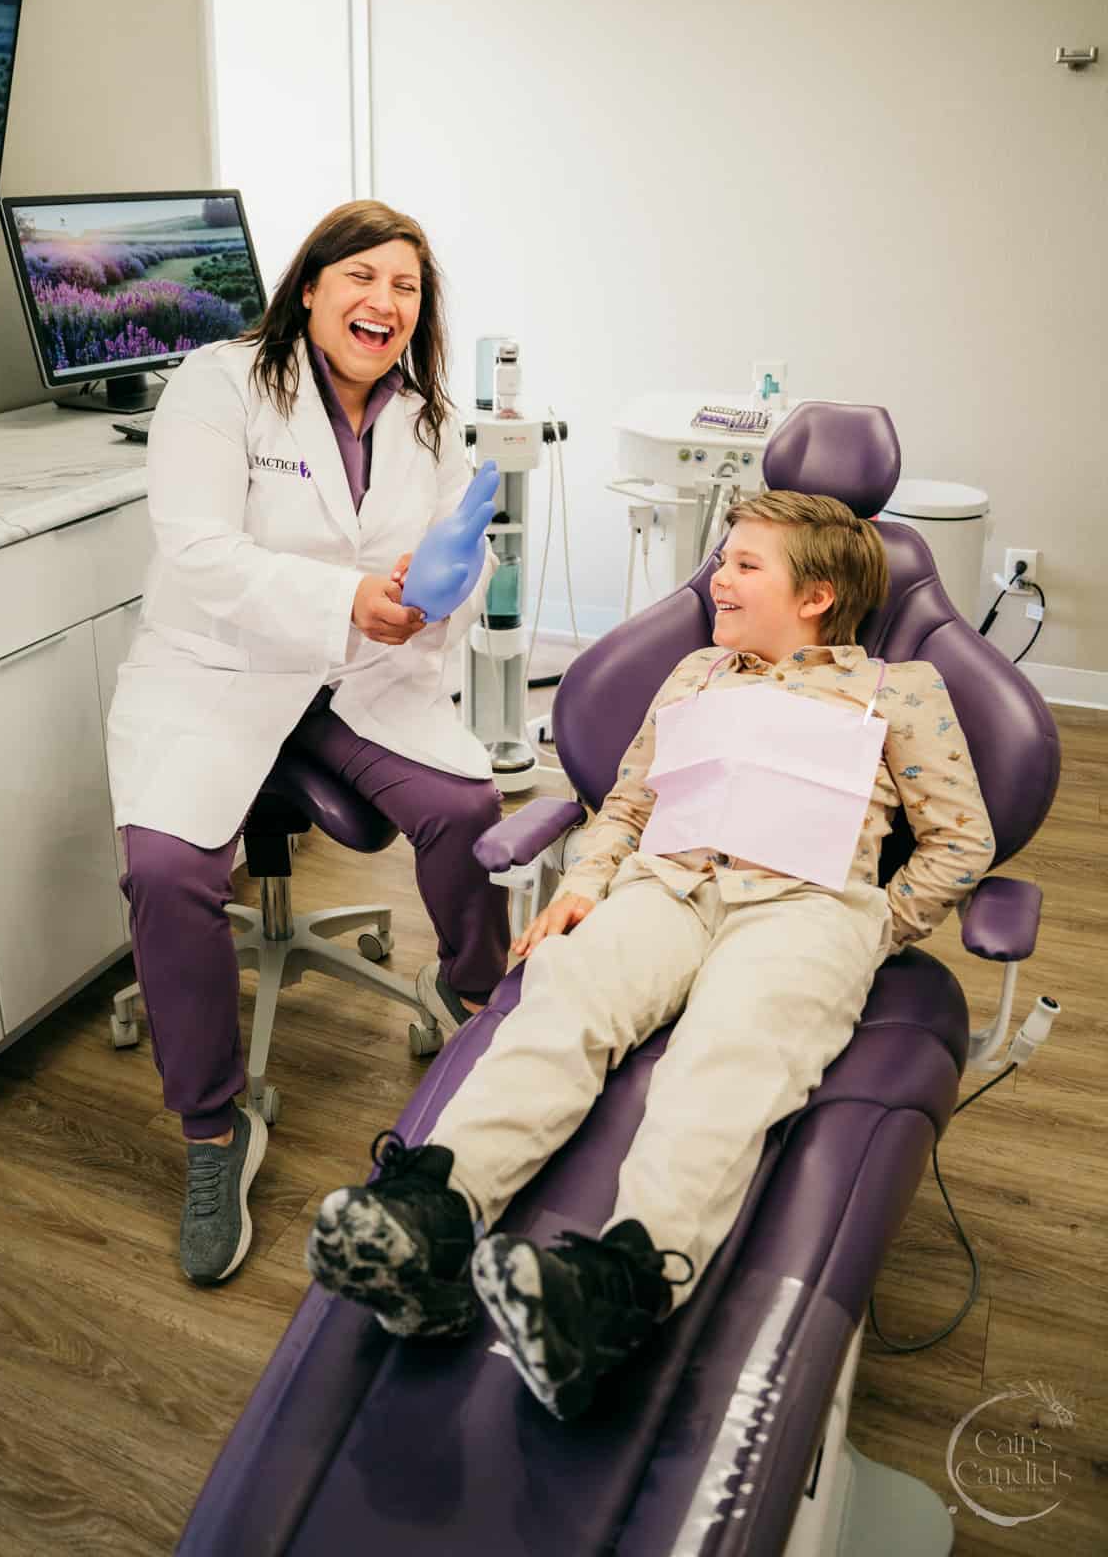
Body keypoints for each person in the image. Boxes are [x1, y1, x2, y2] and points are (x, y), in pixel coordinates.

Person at [305, 490, 995, 1420]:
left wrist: (874, 927)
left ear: (819, 596)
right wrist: (586, 886)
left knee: (727, 1060)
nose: (718, 576)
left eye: (746, 564)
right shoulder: (698, 674)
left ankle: (618, 1290)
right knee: (563, 998)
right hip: (664, 886)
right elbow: (628, 805)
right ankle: (434, 1220)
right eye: (725, 557)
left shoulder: (899, 689)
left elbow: (960, 841)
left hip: (804, 907)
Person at [106, 200, 509, 1286]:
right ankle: (212, 1131)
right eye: (362, 277)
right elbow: (195, 550)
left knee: (466, 810)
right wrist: (349, 599)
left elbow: (450, 562)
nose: (383, 302)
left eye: (407, 288)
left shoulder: (427, 417)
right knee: (165, 869)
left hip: (358, 679)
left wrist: (434, 602)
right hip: (221, 671)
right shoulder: (221, 383)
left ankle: (475, 1004)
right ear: (314, 284)